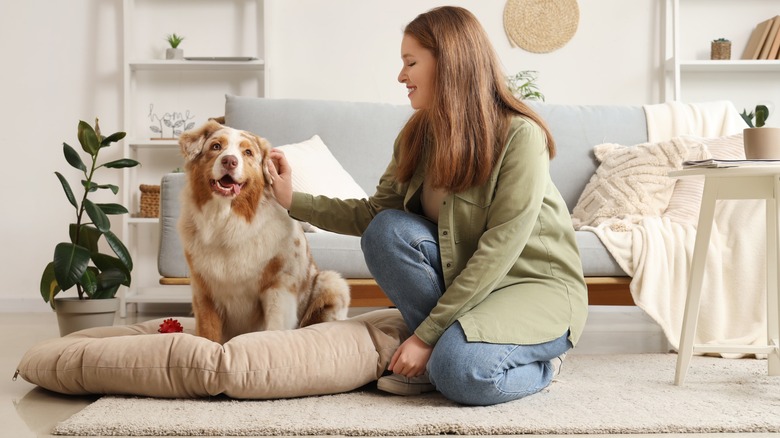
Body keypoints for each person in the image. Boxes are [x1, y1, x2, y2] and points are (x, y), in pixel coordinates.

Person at [267, 5, 588, 407]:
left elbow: (499, 250)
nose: (401, 76)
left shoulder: (520, 136)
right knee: (386, 230)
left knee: (462, 373)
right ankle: (439, 358)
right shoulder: (417, 135)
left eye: (410, 62)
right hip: (470, 289)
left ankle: (543, 365)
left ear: (449, 62)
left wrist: (424, 336)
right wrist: (291, 199)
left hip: (530, 287)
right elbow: (372, 216)